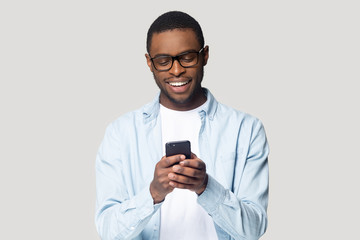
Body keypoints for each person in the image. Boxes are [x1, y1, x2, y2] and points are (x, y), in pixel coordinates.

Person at [95, 11, 269, 240]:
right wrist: (153, 194)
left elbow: (253, 230)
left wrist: (206, 187)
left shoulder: (246, 130)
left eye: (187, 57)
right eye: (163, 61)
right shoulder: (121, 133)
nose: (176, 70)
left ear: (205, 55)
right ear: (149, 62)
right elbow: (108, 231)